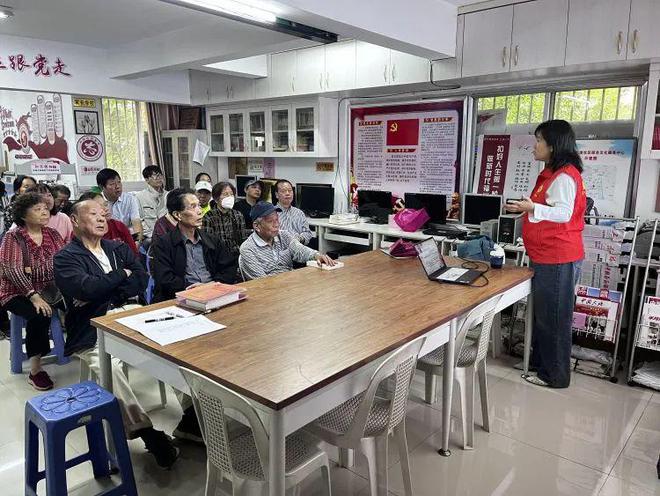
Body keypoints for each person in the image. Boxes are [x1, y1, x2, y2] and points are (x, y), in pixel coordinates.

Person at [54, 200, 180, 468]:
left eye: (103, 214)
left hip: (132, 312)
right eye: (93, 214)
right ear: (75, 220)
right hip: (93, 323)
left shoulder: (117, 247)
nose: (101, 218)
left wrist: (109, 285)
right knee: (107, 365)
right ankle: (147, 432)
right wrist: (119, 276)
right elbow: (85, 289)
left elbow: (141, 278)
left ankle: (191, 418)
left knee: (177, 347)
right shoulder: (65, 257)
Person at [506, 119, 586, 389]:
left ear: (553, 145)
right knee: (545, 316)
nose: (534, 145)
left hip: (557, 257)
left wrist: (531, 209)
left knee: (553, 318)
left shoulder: (564, 176)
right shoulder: (554, 174)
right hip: (547, 255)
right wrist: (527, 208)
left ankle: (554, 376)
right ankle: (541, 366)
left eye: (539, 140)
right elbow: (545, 209)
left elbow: (563, 214)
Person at [0, 193, 65, 390]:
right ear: (23, 215)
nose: (44, 211)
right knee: (39, 315)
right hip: (16, 292)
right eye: (37, 209)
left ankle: (82, 346)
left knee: (83, 300)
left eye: (45, 208)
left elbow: (63, 261)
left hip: (50, 288)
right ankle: (36, 369)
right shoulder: (14, 237)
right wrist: (33, 296)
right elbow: (13, 270)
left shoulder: (52, 234)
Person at [151, 188, 237, 302]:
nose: (200, 211)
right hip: (182, 297)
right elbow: (165, 279)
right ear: (177, 215)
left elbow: (229, 269)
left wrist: (212, 285)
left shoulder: (212, 240)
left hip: (214, 293)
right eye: (193, 207)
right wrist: (194, 290)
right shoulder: (163, 244)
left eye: (199, 206)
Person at [239, 201, 334, 280]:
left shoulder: (283, 235)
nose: (276, 224)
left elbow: (299, 250)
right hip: (269, 293)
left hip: (290, 285)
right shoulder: (248, 248)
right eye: (270, 221)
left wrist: (317, 256)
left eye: (277, 219)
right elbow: (262, 282)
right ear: (257, 226)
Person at [96, 168, 143, 243]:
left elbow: (137, 223)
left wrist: (136, 244)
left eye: (119, 182)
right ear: (102, 187)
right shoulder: (96, 202)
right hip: (107, 240)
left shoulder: (130, 199)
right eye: (112, 184)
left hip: (128, 239)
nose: (117, 186)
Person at [202, 181, 247, 257]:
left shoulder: (238, 215)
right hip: (218, 258)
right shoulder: (209, 217)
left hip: (237, 255)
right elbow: (208, 244)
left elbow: (243, 239)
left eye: (232, 194)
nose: (230, 197)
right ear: (216, 199)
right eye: (225, 194)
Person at [135, 165, 169, 244]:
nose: (159, 178)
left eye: (160, 175)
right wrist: (151, 234)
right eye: (155, 176)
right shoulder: (139, 196)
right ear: (147, 180)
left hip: (167, 233)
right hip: (149, 235)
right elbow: (140, 220)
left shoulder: (168, 195)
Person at [274, 179, 313, 245]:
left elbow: (307, 233)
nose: (287, 193)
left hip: (297, 248)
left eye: (290, 191)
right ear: (277, 195)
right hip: (279, 250)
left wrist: (300, 238)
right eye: (283, 191)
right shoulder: (270, 213)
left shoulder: (299, 213)